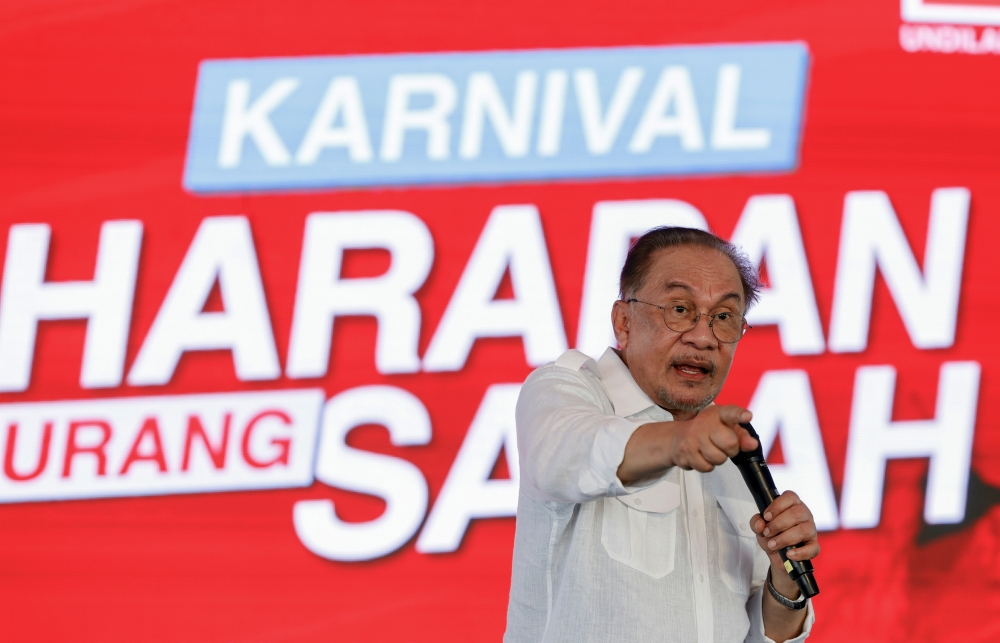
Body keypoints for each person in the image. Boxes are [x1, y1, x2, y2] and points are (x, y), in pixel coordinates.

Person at [504, 227, 820, 643]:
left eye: (724, 317)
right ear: (624, 321)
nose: (704, 337)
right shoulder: (567, 390)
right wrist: (678, 440)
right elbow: (566, 456)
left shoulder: (730, 450)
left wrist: (785, 582)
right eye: (680, 309)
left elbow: (763, 636)